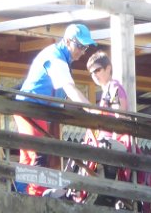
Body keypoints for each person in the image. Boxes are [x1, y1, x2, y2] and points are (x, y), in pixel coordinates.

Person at [14, 22, 95, 195]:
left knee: (29, 158)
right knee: (38, 155)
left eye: (85, 47)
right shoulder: (56, 58)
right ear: (67, 41)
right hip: (32, 108)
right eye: (80, 46)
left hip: (34, 109)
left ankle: (24, 195)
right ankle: (36, 196)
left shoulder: (60, 58)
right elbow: (69, 89)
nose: (82, 51)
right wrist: (92, 110)